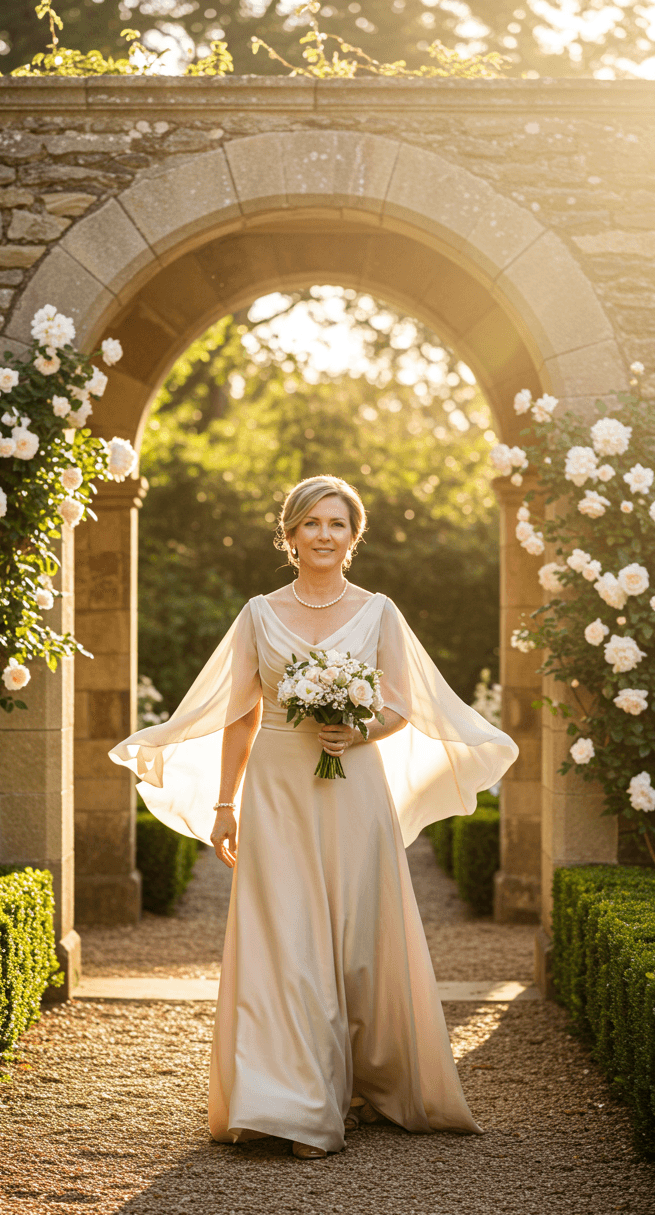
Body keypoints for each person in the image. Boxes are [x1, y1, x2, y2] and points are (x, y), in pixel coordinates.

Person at [109, 474, 518, 1159]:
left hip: (353, 787)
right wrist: (223, 804)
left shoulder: (380, 612)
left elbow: (401, 707)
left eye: (336, 524)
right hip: (275, 788)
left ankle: (358, 1087)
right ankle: (295, 1105)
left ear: (352, 538)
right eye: (311, 524)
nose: (323, 535)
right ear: (290, 535)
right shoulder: (258, 614)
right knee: (286, 941)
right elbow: (240, 715)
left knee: (358, 945)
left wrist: (358, 730)